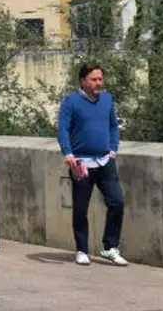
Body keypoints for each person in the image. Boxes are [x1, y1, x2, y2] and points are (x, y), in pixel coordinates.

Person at [58, 62, 127, 267]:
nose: (98, 83)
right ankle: (82, 249)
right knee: (80, 208)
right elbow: (63, 129)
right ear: (82, 81)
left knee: (117, 203)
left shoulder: (107, 100)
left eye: (100, 79)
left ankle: (109, 247)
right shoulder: (70, 102)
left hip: (105, 161)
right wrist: (68, 153)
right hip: (81, 162)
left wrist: (113, 149)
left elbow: (113, 125)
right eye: (94, 79)